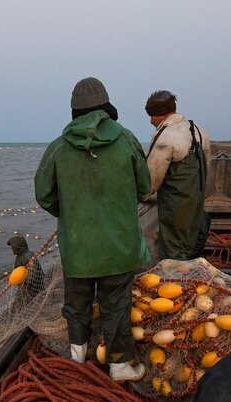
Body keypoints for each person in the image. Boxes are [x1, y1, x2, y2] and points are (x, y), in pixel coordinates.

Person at [34, 77, 151, 382]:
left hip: (77, 246)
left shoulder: (58, 148)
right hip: (120, 246)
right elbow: (145, 188)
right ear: (105, 107)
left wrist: (71, 214)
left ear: (74, 111)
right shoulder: (126, 139)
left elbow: (44, 195)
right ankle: (121, 366)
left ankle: (76, 360)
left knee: (76, 304)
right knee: (117, 305)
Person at [144, 90, 212, 260]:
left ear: (162, 114)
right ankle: (188, 277)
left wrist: (142, 194)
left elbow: (152, 177)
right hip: (195, 200)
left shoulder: (167, 135)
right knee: (189, 241)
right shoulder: (199, 131)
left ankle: (173, 281)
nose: (151, 121)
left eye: (152, 116)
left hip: (175, 204)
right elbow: (207, 165)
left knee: (172, 247)